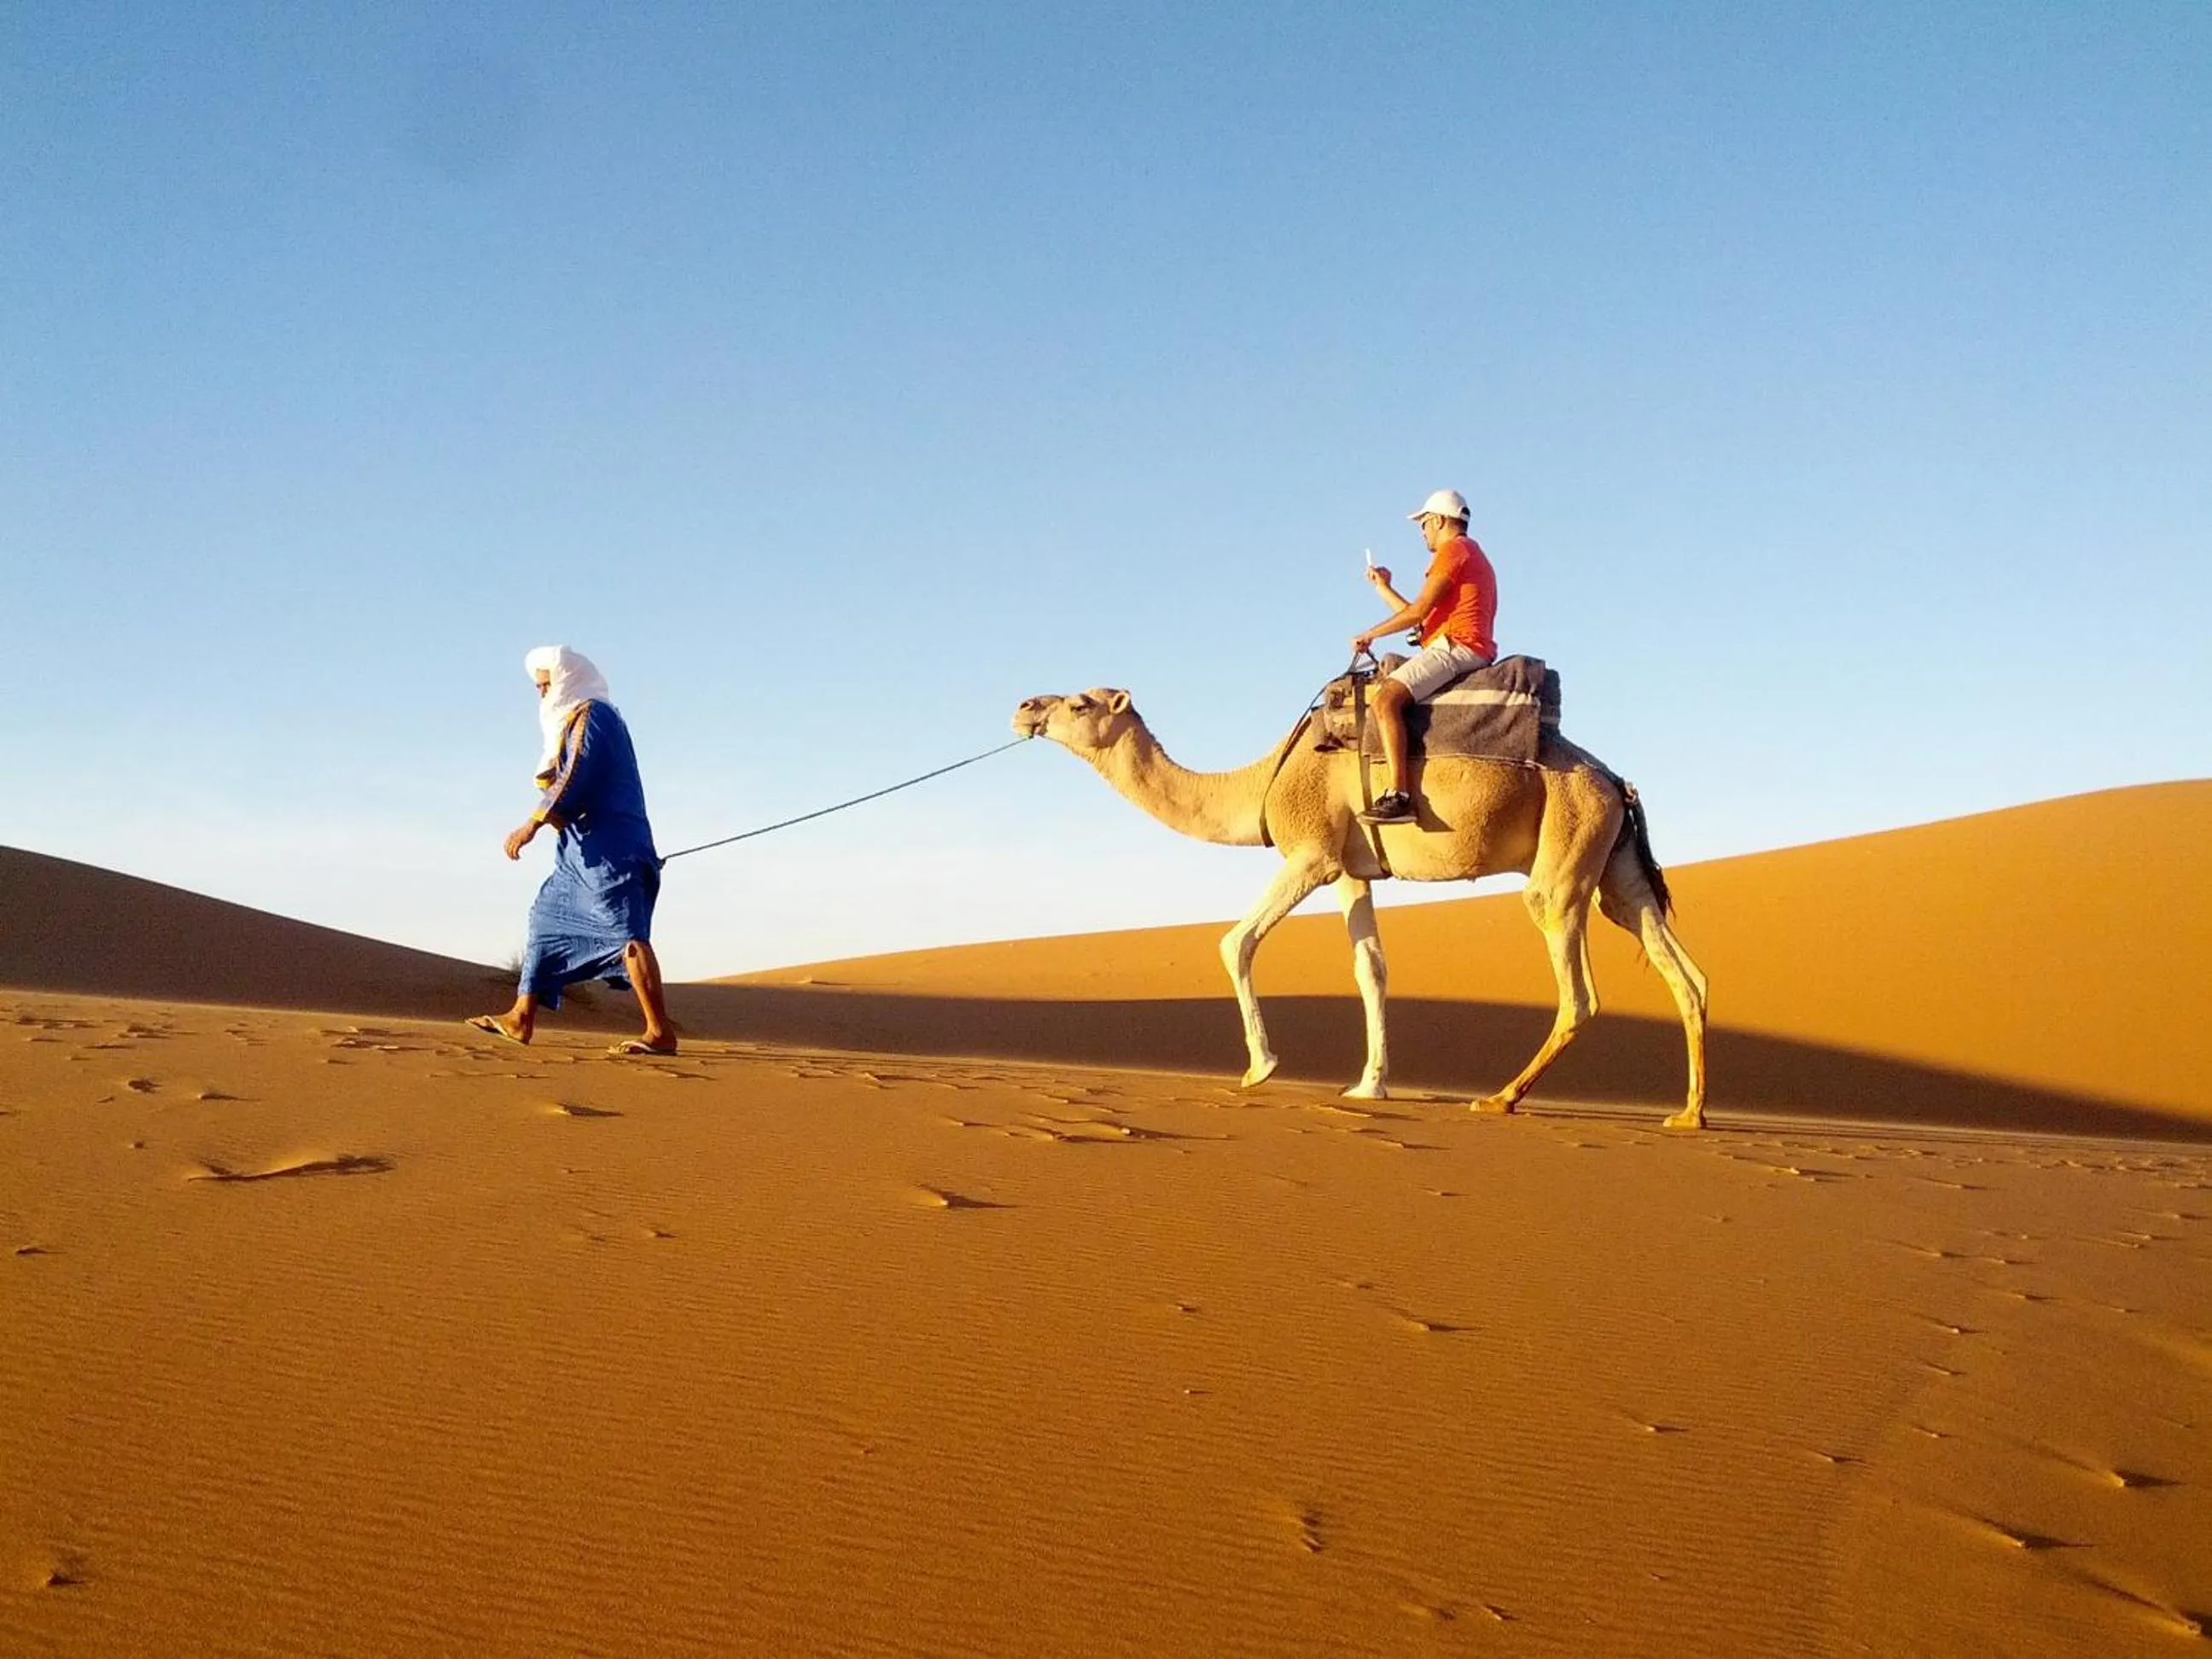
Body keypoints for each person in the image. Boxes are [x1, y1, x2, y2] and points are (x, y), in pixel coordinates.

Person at [468, 645, 678, 1057]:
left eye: (546, 686)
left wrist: (533, 822)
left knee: (626, 934)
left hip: (611, 845)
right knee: (546, 917)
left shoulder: (595, 715)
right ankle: (521, 1016)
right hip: (578, 853)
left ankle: (660, 1031)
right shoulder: (573, 723)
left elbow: (576, 773)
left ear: (565, 681)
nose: (541, 695)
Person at [1349, 488, 1499, 824]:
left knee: (1385, 700)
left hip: (1457, 647)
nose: (1423, 532)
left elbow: (1417, 614)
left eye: (1424, 524)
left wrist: (1369, 633)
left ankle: (1399, 796)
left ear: (1439, 520)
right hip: (1453, 643)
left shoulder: (1454, 551)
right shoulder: (1468, 553)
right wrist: (1382, 587)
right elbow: (1420, 617)